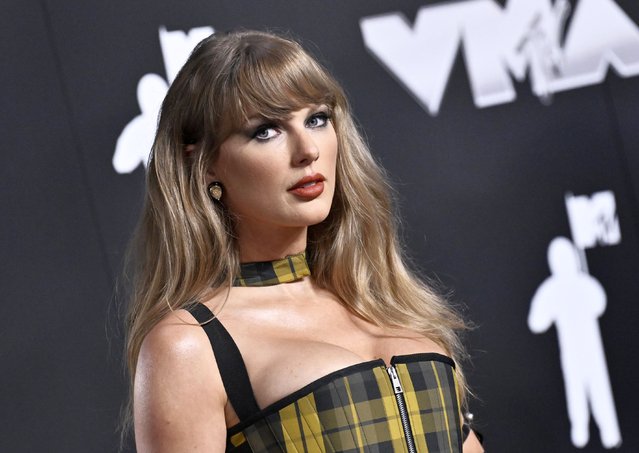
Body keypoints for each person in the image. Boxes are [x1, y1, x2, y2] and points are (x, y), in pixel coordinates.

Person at [125, 30, 484, 452]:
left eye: (317, 119)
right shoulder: (190, 344)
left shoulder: (387, 301)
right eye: (266, 131)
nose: (307, 149)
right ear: (204, 166)